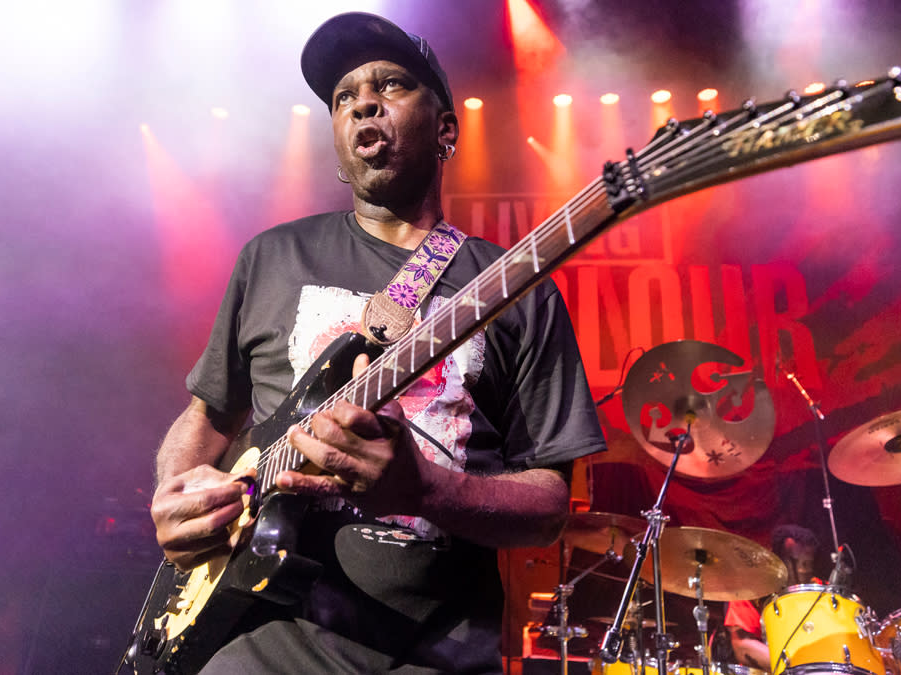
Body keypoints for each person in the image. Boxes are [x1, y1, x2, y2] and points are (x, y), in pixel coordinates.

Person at [148, 12, 607, 673]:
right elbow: (208, 415)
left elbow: (549, 508)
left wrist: (425, 491)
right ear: (337, 138)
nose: (363, 100)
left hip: (436, 652)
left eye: (391, 84)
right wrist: (177, 493)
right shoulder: (272, 258)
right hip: (260, 642)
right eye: (343, 97)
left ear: (445, 128)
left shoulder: (515, 286)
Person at [725, 525, 820, 671]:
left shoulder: (819, 590)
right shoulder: (752, 591)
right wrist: (798, 669)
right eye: (798, 562)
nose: (804, 570)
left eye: (809, 563)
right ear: (778, 559)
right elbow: (743, 646)